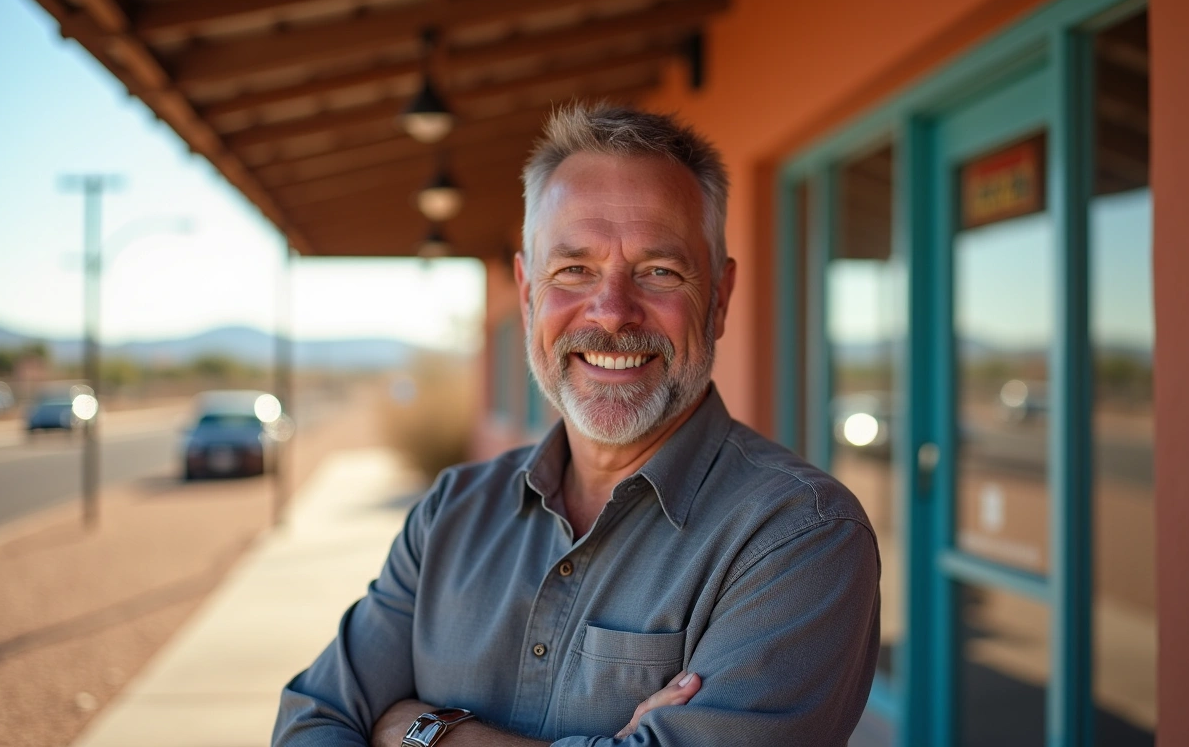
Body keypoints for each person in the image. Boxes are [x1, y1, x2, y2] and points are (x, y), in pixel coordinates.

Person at [273, 104, 880, 747]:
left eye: (659, 271)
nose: (613, 312)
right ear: (528, 291)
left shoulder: (801, 534)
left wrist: (425, 734)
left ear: (721, 299)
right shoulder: (451, 512)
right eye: (574, 270)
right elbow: (312, 720)